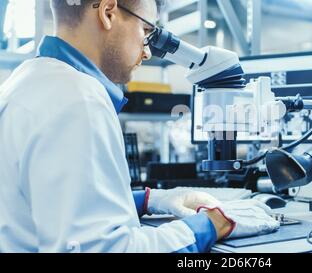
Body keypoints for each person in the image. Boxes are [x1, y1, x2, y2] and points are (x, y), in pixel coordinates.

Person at [0, 0, 279, 253]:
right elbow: (106, 250)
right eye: (146, 31)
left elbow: (52, 203)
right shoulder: (77, 100)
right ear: (108, 12)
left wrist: (150, 200)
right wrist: (214, 223)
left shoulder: (28, 79)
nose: (147, 52)